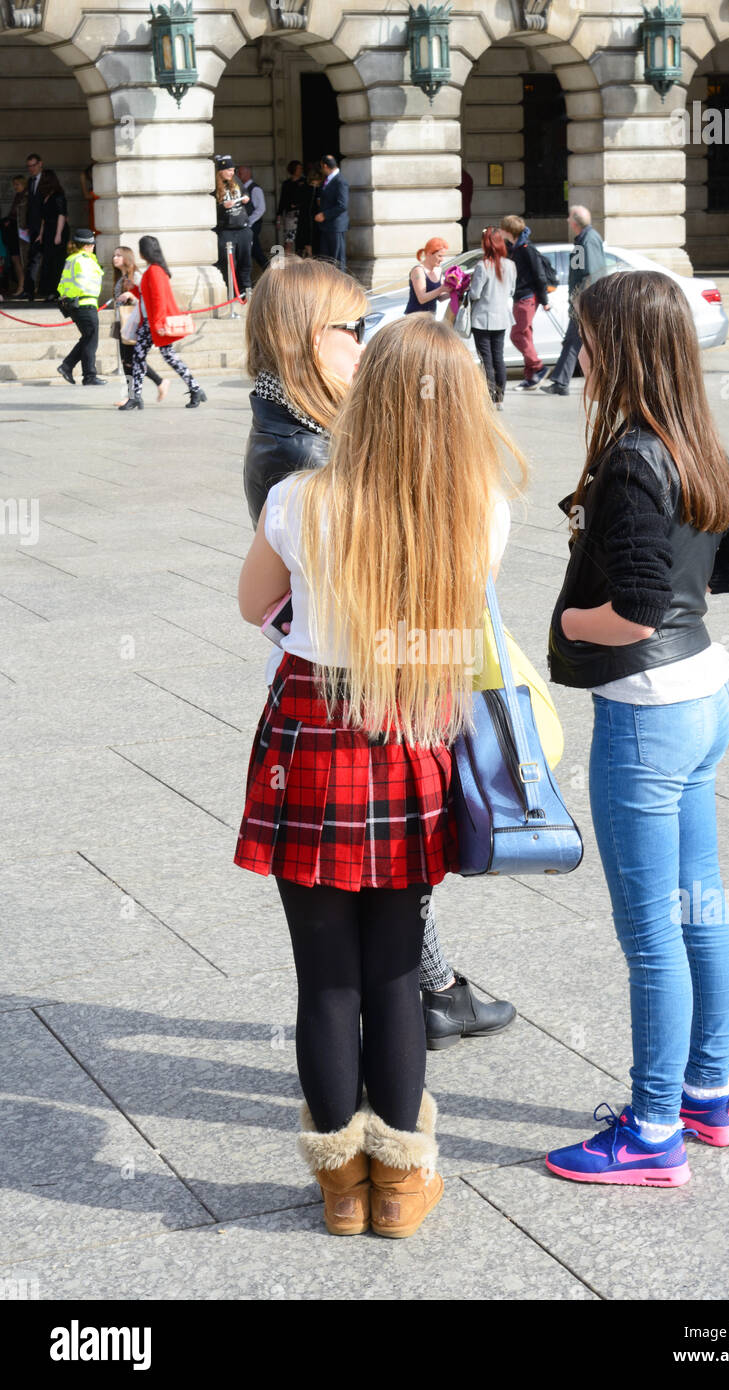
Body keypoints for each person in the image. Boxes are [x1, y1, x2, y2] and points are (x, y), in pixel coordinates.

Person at [235, 312, 526, 1238]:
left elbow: (254, 607)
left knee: (324, 977)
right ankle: (401, 1188)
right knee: (397, 969)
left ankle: (341, 1192)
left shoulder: (300, 498)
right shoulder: (482, 506)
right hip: (410, 728)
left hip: (314, 728)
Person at [545, 270, 729, 1188]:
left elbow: (636, 610)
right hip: (702, 702)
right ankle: (708, 1097)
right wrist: (691, 593)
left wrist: (572, 626)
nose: (582, 354)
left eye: (591, 339)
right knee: (699, 907)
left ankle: (649, 1133)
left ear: (625, 350)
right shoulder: (694, 443)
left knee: (652, 934)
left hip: (646, 716)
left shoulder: (633, 460)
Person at [119, 234, 206, 411]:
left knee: (154, 357)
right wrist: (133, 289)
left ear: (144, 252)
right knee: (154, 357)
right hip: (151, 323)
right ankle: (194, 389)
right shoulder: (155, 269)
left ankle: (194, 389)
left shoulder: (154, 271)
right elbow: (148, 295)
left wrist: (157, 323)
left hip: (154, 323)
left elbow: (158, 299)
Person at [541, 205, 606, 397]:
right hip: (581, 300)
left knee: (577, 340)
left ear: (575, 221)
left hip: (586, 302)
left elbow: (591, 273)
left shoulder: (589, 239)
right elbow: (579, 270)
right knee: (574, 340)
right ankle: (561, 381)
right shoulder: (582, 239)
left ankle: (562, 381)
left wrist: (582, 301)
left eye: (569, 217)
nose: (567, 221)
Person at [110, 246, 167, 407]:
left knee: (133, 360)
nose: (115, 258)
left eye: (119, 255)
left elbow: (146, 298)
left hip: (133, 322)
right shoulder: (120, 277)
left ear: (127, 258)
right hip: (121, 321)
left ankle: (159, 382)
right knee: (126, 361)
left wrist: (131, 296)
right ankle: (132, 396)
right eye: (114, 255)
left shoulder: (136, 276)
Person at [499, 214, 550, 389]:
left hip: (526, 297)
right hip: (520, 297)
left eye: (502, 228)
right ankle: (531, 377)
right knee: (526, 334)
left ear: (508, 231)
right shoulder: (514, 247)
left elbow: (539, 275)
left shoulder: (526, 248)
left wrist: (544, 300)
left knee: (517, 334)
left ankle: (538, 367)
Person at [468, 226, 516, 409]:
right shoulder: (510, 265)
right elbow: (511, 290)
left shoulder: (482, 266)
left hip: (482, 318)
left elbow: (475, 294)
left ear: (486, 243)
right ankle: (500, 398)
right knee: (499, 357)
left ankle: (489, 396)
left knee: (486, 359)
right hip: (502, 317)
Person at [55, 229, 106, 385]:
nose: (93, 247)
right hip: (85, 304)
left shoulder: (72, 259)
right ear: (87, 245)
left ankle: (68, 366)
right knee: (91, 340)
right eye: (92, 244)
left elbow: (62, 285)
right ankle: (88, 375)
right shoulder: (84, 259)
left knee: (87, 338)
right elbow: (83, 283)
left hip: (76, 305)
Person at [213, 155, 252, 299]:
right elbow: (209, 209)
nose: (232, 173)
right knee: (229, 264)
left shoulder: (236, 181)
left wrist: (246, 197)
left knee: (246, 261)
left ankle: (246, 291)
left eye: (233, 170)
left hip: (242, 228)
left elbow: (245, 192)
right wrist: (223, 206)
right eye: (229, 170)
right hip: (226, 230)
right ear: (221, 170)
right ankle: (232, 293)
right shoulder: (214, 186)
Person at [36, 169, 69, 300]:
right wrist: (40, 234)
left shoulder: (59, 196)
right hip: (49, 230)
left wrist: (58, 234)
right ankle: (49, 290)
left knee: (57, 261)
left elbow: (62, 215)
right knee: (48, 261)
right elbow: (44, 219)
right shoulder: (46, 197)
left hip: (57, 229)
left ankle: (56, 291)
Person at [314, 154, 349, 268]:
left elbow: (342, 205)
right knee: (327, 260)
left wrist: (324, 214)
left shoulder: (340, 181)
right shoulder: (329, 180)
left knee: (337, 260)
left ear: (324, 166)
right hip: (326, 226)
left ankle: (341, 285)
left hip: (335, 226)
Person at [403, 237, 451, 316]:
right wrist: (441, 289)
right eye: (439, 256)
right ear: (429, 254)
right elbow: (422, 298)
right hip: (414, 318)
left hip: (430, 318)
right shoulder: (418, 270)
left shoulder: (438, 270)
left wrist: (455, 292)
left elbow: (440, 298)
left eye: (443, 256)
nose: (442, 259)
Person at [20, 152, 45, 300]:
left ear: (40, 164)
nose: (31, 169)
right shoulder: (30, 181)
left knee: (43, 258)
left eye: (33, 165)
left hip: (46, 225)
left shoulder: (47, 180)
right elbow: (30, 205)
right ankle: (29, 290)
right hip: (34, 227)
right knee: (32, 258)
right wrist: (28, 224)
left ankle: (42, 289)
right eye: (29, 166)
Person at [277, 160, 313, 257]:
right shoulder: (286, 183)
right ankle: (288, 265)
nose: (300, 170)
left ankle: (309, 262)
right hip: (290, 216)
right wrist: (279, 216)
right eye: (298, 168)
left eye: (301, 168)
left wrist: (297, 205)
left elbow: (308, 199)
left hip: (303, 215)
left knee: (305, 241)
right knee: (288, 241)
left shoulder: (306, 182)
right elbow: (282, 200)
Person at [237, 164, 267, 272]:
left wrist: (249, 222)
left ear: (247, 174)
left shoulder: (255, 189)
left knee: (256, 251)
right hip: (246, 225)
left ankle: (270, 271)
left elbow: (261, 208)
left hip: (253, 225)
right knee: (252, 251)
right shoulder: (241, 188)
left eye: (240, 173)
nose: (238, 175)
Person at [1, 177, 27, 298]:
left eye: (17, 184)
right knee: (16, 260)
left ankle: (22, 287)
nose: (15, 187)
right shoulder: (19, 196)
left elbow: (21, 216)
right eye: (14, 184)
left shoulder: (24, 197)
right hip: (14, 233)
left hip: (19, 234)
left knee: (19, 261)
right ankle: (20, 286)